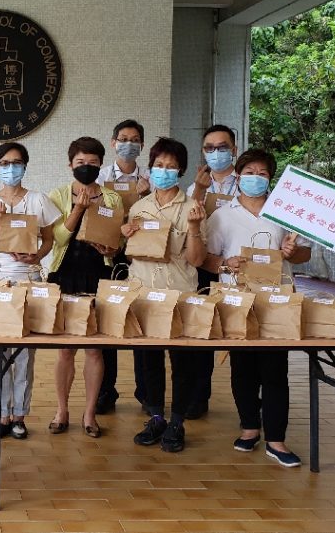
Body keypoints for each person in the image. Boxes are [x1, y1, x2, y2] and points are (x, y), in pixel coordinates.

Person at [204, 149, 311, 468]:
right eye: (249, 172)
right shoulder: (222, 215)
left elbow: (305, 255)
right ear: (238, 176)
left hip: (278, 301)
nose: (255, 178)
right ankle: (250, 427)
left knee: (276, 369)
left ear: (271, 179)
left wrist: (292, 254)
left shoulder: (286, 213)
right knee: (243, 367)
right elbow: (207, 259)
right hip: (238, 298)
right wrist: (225, 262)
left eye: (262, 173)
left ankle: (276, 439)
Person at [120, 137, 207, 453]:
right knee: (148, 360)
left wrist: (195, 228)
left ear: (181, 170)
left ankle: (177, 422)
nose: (164, 171)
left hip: (178, 295)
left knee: (182, 361)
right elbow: (132, 256)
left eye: (171, 167)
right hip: (142, 295)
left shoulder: (191, 208)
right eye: (159, 166)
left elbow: (197, 260)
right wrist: (126, 235)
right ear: (151, 168)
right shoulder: (138, 207)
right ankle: (156, 416)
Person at [0, 142, 60, 440]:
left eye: (17, 162)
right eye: (5, 163)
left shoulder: (38, 200)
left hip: (29, 279)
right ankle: (1, 413)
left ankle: (20, 415)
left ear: (25, 166)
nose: (11, 168)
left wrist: (37, 256)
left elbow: (49, 239)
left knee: (24, 352)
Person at [46, 137, 123, 438]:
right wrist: (78, 209)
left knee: (94, 349)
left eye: (92, 163)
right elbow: (58, 238)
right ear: (70, 165)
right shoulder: (58, 195)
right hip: (65, 275)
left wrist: (112, 248)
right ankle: (61, 409)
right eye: (80, 163)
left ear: (100, 165)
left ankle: (90, 413)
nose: (86, 168)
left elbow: (119, 242)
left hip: (98, 276)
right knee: (65, 349)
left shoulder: (112, 198)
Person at [184, 124, 242, 419]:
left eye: (222, 147)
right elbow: (187, 221)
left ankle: (248, 406)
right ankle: (197, 397)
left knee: (239, 333)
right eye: (209, 148)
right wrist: (199, 189)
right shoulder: (195, 185)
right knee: (202, 333)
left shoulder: (249, 182)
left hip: (239, 270)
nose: (216, 153)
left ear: (234, 149)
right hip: (204, 266)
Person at [94, 119, 151, 415]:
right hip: (110, 253)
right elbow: (98, 215)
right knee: (110, 320)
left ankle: (146, 392)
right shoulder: (101, 176)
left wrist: (145, 196)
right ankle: (105, 391)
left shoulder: (152, 179)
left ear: (142, 145)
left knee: (143, 320)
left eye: (136, 139)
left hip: (142, 256)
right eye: (124, 138)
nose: (129, 143)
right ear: (114, 142)